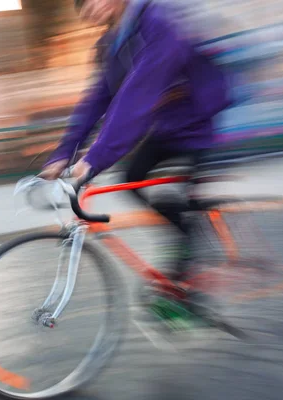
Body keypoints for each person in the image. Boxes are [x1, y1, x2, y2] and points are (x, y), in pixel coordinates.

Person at [40, 0, 232, 303]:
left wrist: (94, 159)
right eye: (84, 6)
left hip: (199, 121)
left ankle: (188, 271)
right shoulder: (110, 43)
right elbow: (96, 101)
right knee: (132, 178)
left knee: (181, 198)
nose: (90, 9)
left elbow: (136, 97)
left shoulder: (158, 22)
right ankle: (183, 230)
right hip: (166, 127)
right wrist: (64, 153)